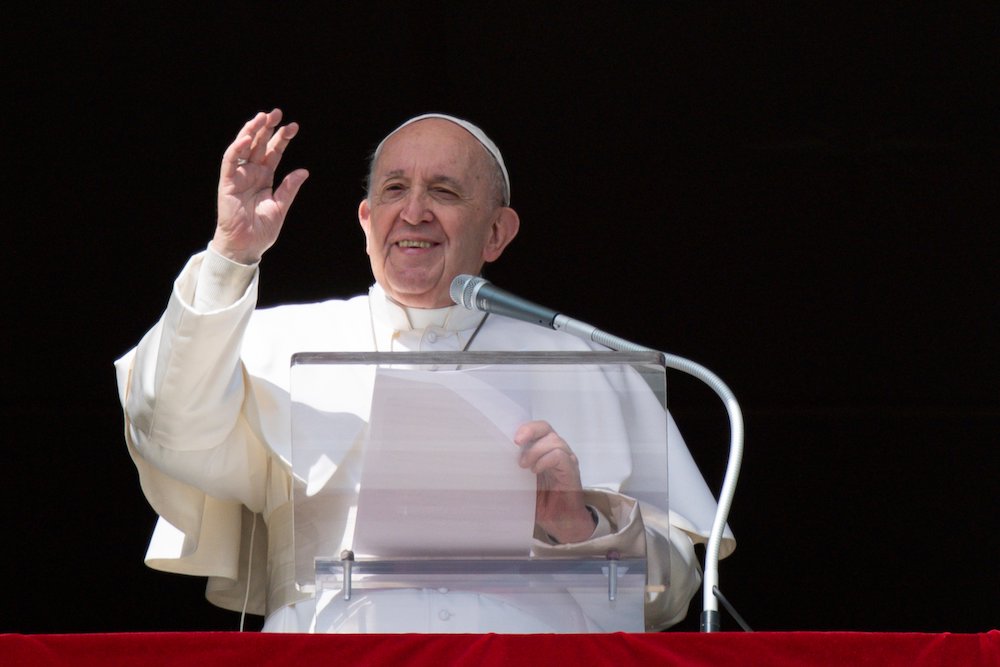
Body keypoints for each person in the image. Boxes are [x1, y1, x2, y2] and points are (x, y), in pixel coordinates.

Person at [114, 109, 734, 632]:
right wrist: (230, 254)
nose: (414, 212)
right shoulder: (278, 341)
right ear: (364, 221)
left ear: (496, 232)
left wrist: (582, 525)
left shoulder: (590, 364)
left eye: (444, 191)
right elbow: (168, 429)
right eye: (393, 190)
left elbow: (672, 593)